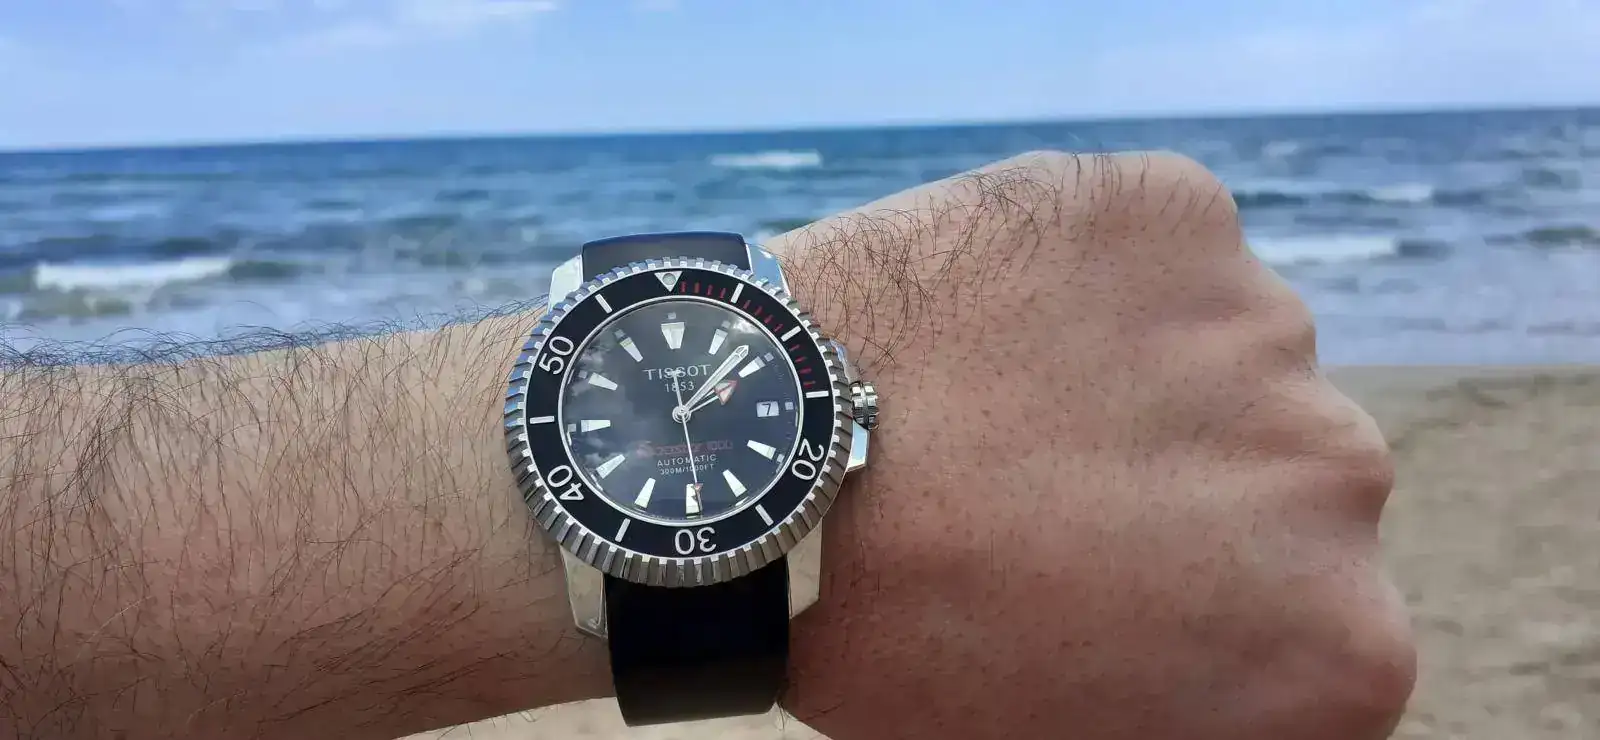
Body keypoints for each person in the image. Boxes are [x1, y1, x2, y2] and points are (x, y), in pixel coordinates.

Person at [0, 151, 1416, 740]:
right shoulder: (590, 400)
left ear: (840, 426)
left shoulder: (810, 421)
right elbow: (543, 430)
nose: (686, 412)